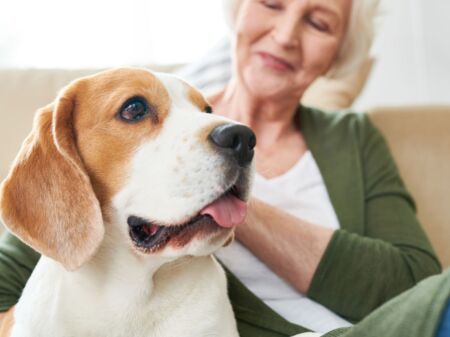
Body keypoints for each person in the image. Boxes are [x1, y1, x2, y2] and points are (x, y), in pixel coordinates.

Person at [0, 0, 444, 336]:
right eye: (272, 1)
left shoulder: (353, 136)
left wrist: (225, 194)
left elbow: (414, 283)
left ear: (338, 54)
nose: (286, 34)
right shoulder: (123, 111)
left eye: (318, 23)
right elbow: (46, 240)